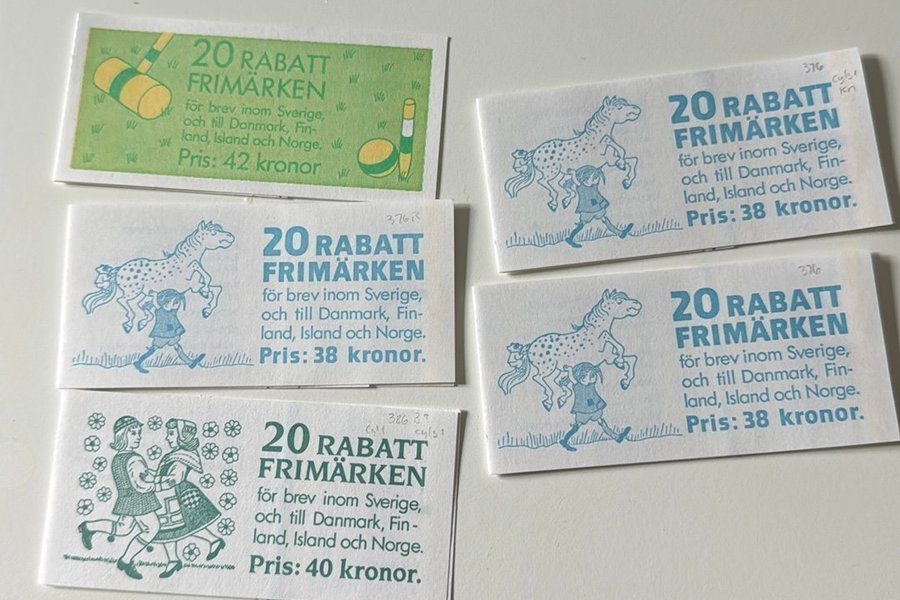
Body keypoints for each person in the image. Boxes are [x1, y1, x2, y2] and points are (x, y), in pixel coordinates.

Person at [78, 416, 161, 580]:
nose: (138, 437)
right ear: (122, 435)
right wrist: (158, 484)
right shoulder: (134, 458)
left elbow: (136, 477)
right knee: (152, 528)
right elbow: (140, 483)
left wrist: (150, 476)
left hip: (126, 499)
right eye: (133, 433)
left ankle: (88, 526)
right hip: (139, 500)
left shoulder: (117, 458)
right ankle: (125, 560)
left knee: (122, 528)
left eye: (139, 433)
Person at [152, 419, 225, 578]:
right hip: (166, 497)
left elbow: (175, 478)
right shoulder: (172, 455)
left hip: (178, 496)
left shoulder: (182, 456)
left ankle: (212, 541)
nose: (167, 438)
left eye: (171, 434)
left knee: (184, 526)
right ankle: (174, 559)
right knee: (174, 529)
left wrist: (153, 480)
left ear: (182, 436)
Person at [559, 362, 631, 452]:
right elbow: (573, 379)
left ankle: (616, 437)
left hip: (593, 409)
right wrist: (570, 370)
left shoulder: (591, 384)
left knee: (601, 422)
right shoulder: (578, 386)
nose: (594, 378)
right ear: (582, 379)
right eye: (591, 376)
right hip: (583, 411)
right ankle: (565, 441)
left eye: (593, 375)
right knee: (577, 426)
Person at [134, 289, 205, 373]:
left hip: (172, 334)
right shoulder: (160, 310)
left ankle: (190, 363)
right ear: (166, 303)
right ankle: (138, 362)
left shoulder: (173, 311)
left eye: (178, 302)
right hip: (161, 335)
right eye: (175, 302)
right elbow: (156, 303)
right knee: (153, 349)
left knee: (177, 347)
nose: (177, 304)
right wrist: (155, 295)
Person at [564, 165, 633, 248]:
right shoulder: (581, 187)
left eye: (596, 177)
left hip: (597, 208)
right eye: (594, 178)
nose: (596, 180)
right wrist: (573, 173)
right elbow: (576, 180)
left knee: (604, 219)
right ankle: (570, 239)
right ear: (585, 180)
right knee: (581, 225)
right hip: (587, 210)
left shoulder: (594, 186)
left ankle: (620, 233)